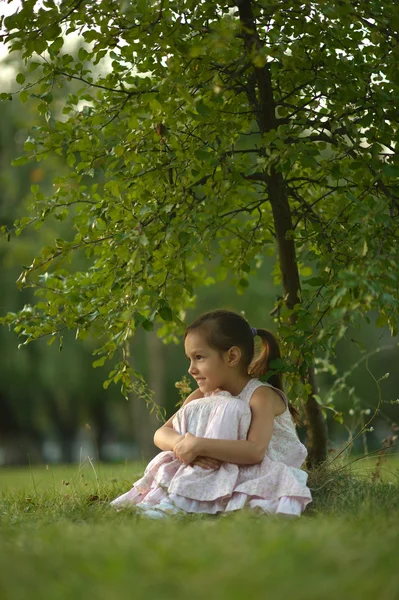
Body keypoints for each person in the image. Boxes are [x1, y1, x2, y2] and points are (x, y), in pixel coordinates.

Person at [110, 309, 312, 519]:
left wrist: (200, 446)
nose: (191, 369)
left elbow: (255, 451)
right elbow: (161, 433)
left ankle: (188, 507)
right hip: (216, 469)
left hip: (256, 470)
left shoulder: (260, 396)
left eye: (199, 357)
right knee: (169, 460)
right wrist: (185, 444)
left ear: (232, 356)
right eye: (190, 359)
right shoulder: (201, 396)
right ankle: (173, 503)